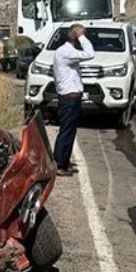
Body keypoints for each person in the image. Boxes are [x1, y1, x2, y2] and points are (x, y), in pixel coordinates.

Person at [52, 24, 95, 176]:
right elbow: (90, 53)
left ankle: (64, 161)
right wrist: (82, 37)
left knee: (69, 131)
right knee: (66, 131)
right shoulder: (67, 52)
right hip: (69, 99)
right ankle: (58, 163)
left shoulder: (64, 51)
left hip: (70, 97)